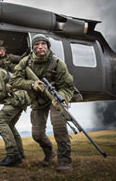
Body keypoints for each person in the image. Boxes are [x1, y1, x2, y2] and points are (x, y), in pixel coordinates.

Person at [9, 34, 75, 173]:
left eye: (43, 44)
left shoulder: (58, 63)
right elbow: (14, 81)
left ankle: (64, 161)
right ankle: (50, 153)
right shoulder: (25, 62)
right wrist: (32, 84)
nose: (40, 47)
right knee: (37, 134)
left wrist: (61, 98)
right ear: (32, 48)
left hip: (55, 99)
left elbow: (68, 87)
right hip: (38, 101)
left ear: (48, 46)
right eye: (36, 45)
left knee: (59, 128)